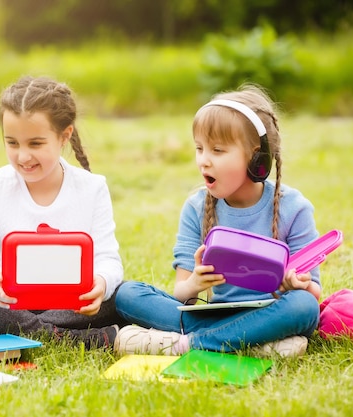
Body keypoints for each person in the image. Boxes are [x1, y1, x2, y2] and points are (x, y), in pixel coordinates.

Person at [114, 84, 321, 357]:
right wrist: (195, 284)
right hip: (213, 317)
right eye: (200, 148)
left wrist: (298, 284)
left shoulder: (294, 208)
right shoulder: (196, 208)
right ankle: (250, 343)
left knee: (303, 306)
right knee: (127, 293)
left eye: (218, 151)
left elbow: (313, 293)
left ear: (256, 156)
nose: (203, 161)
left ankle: (188, 344)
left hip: (271, 312)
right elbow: (182, 294)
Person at [0, 75, 126, 348]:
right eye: (12, 143)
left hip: (67, 304)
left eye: (35, 144)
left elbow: (108, 259)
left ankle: (2, 334)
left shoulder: (93, 188)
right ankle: (69, 339)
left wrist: (101, 283)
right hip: (10, 303)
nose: (23, 156)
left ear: (64, 136)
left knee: (121, 295)